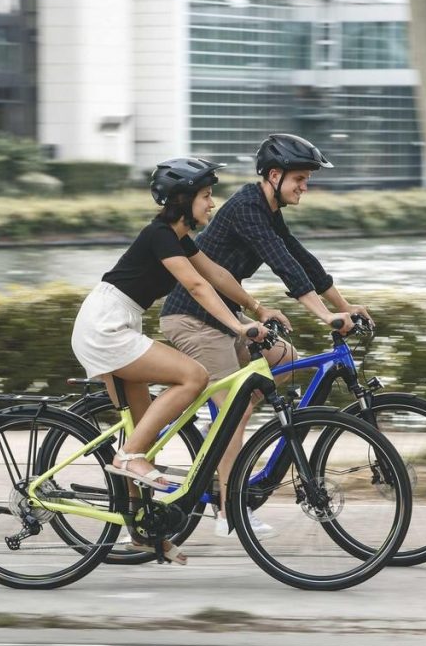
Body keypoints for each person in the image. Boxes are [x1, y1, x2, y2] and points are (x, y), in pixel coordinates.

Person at [159, 134, 374, 539]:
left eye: (307, 179)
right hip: (194, 319)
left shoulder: (268, 209)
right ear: (274, 175)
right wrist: (327, 317)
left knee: (288, 362)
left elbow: (301, 259)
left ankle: (216, 438)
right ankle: (229, 508)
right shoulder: (246, 208)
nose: (304, 187)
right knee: (234, 412)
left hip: (225, 320)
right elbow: (283, 267)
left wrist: (343, 306)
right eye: (299, 178)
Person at [70, 157, 284, 562]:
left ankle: (140, 532)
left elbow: (217, 276)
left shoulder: (179, 238)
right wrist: (237, 328)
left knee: (141, 428)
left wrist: (257, 309)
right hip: (106, 328)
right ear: (182, 200)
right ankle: (129, 457)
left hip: (118, 325)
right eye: (205, 196)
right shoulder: (160, 236)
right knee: (193, 376)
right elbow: (197, 286)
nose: (212, 204)